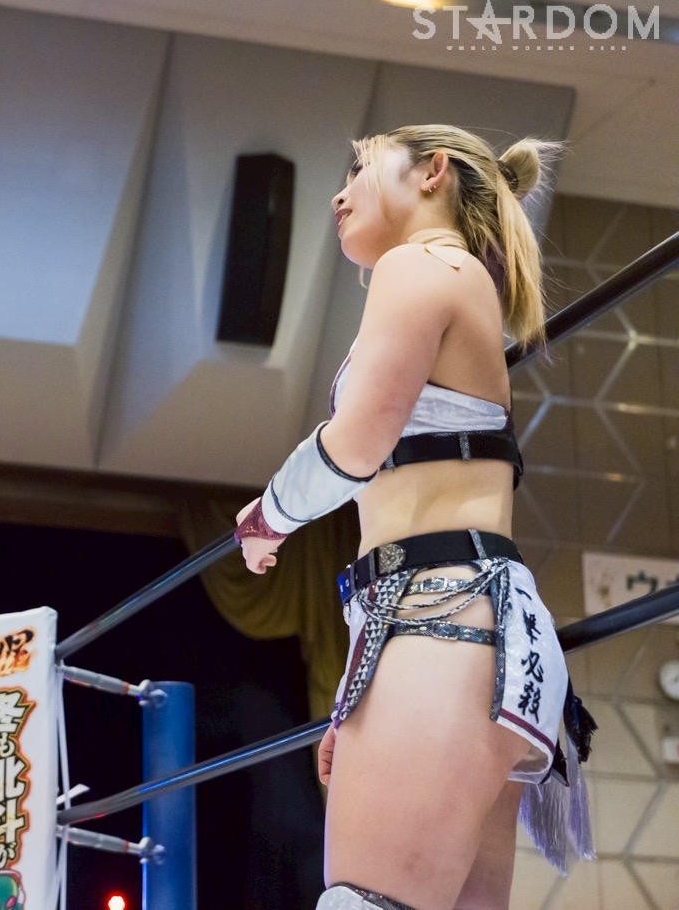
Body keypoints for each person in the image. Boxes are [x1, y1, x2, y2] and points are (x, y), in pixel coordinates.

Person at [234, 125, 593, 910]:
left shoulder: (420, 263)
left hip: (440, 626)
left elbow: (359, 442)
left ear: (433, 173)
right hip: (482, 642)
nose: (339, 194)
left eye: (359, 166)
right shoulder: (462, 282)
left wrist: (271, 513)